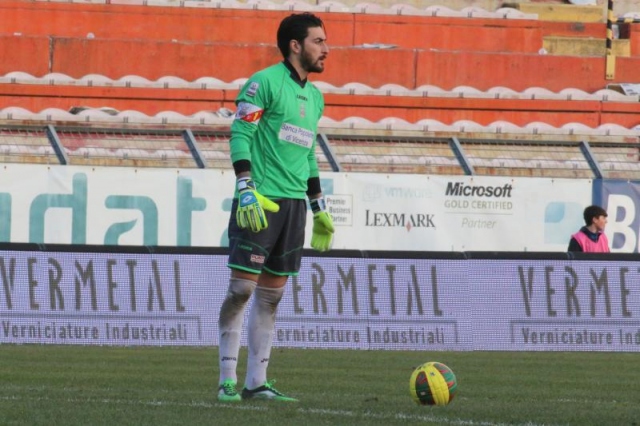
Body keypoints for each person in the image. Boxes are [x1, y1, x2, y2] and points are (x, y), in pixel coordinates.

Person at [216, 12, 334, 403]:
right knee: (240, 290)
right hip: (260, 200)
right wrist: (245, 186)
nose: (326, 49)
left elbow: (309, 154)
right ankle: (226, 380)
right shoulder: (262, 83)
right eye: (318, 41)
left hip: (294, 206)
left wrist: (318, 207)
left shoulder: (315, 97)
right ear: (295, 45)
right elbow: (241, 132)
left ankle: (256, 383)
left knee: (272, 297)